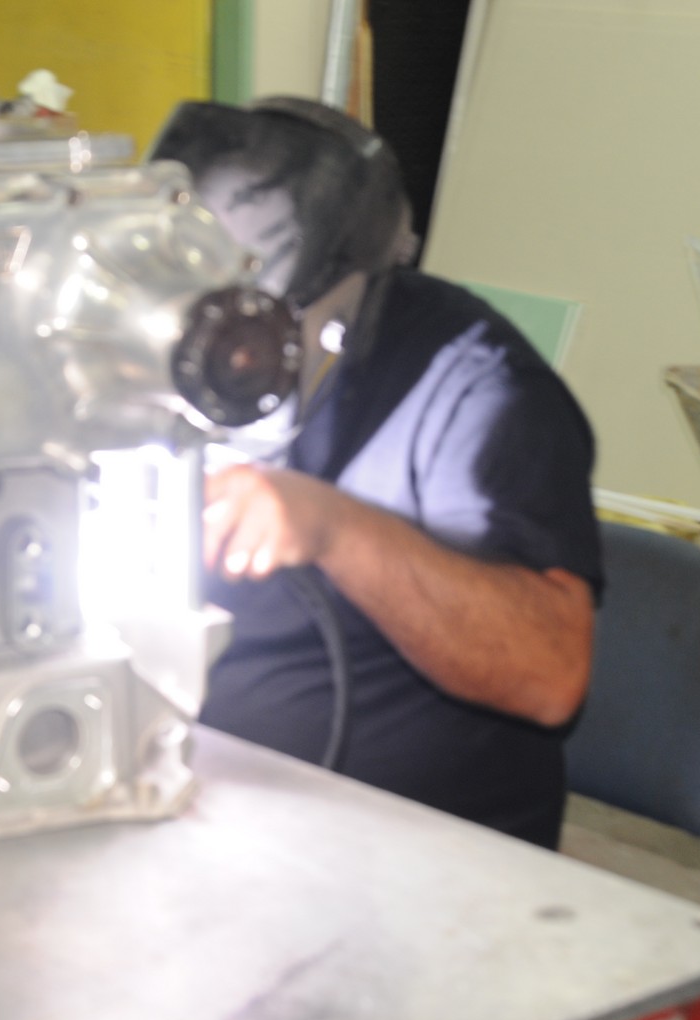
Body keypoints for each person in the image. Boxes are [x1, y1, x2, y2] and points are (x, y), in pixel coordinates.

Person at [150, 98, 602, 849]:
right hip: (192, 795)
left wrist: (332, 528)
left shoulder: (478, 390)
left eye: (252, 341)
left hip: (406, 844)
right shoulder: (133, 342)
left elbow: (549, 674)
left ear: (336, 309)